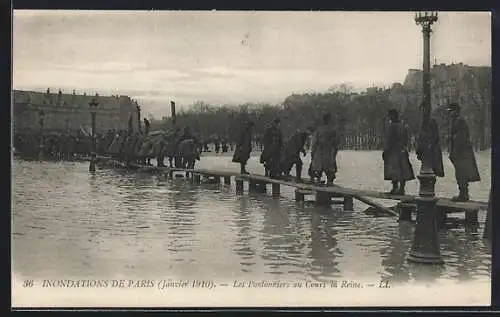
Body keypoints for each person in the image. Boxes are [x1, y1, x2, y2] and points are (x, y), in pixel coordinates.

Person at [446, 102, 480, 201]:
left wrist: (454, 152)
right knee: (461, 173)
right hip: (461, 152)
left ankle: (463, 195)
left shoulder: (459, 121)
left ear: (456, 111)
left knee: (461, 174)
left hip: (461, 153)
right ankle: (463, 193)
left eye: (451, 111)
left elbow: (460, 138)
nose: (450, 114)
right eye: (450, 112)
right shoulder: (456, 121)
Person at [382, 109, 415, 195]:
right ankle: (401, 189)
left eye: (389, 116)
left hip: (393, 151)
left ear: (392, 116)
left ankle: (395, 188)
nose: (389, 118)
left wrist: (386, 150)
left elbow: (389, 140)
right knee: (403, 170)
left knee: (394, 170)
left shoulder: (392, 126)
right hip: (402, 150)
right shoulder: (403, 125)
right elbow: (406, 139)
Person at [415, 103, 444, 178]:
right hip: (424, 150)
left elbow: (435, 136)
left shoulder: (431, 121)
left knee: (430, 169)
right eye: (421, 110)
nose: (422, 112)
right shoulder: (422, 122)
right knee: (426, 169)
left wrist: (429, 144)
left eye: (423, 110)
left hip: (430, 150)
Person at [310, 113, 339, 186]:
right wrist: (335, 151)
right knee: (330, 169)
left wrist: (313, 151)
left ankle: (318, 180)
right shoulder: (332, 130)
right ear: (329, 120)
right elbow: (335, 142)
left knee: (319, 168)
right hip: (328, 152)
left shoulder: (319, 130)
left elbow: (314, 141)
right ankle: (329, 182)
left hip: (320, 152)